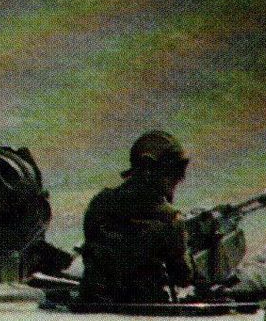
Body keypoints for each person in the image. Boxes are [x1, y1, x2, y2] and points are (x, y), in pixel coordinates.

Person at [80, 129, 195, 304]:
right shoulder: (170, 219)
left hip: (93, 300)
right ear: (151, 171)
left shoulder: (100, 202)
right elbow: (183, 277)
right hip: (143, 305)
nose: (179, 179)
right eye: (175, 171)